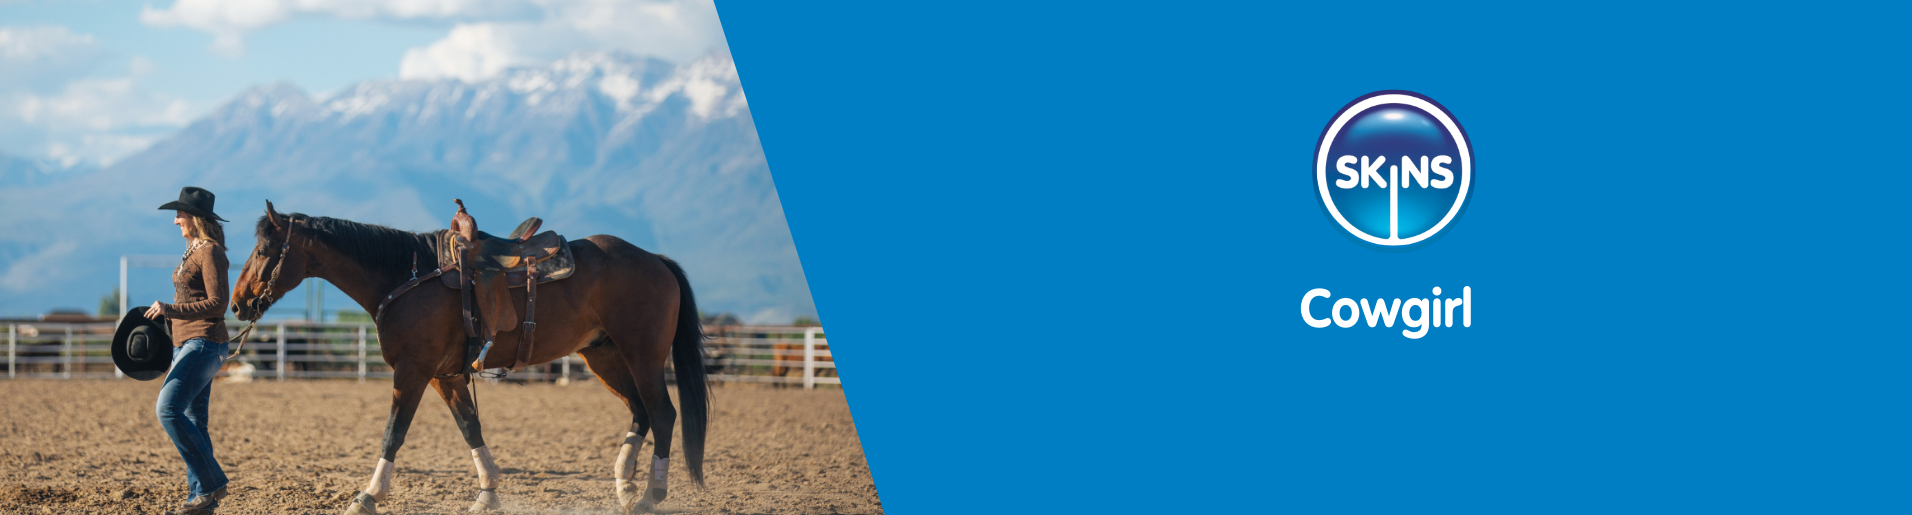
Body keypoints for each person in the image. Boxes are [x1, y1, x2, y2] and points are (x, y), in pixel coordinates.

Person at [148, 186, 234, 515]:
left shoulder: (209, 252)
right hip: (189, 342)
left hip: (204, 341)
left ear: (195, 218)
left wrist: (169, 310)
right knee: (195, 421)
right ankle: (200, 503)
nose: (175, 221)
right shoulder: (193, 248)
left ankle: (211, 483)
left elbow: (218, 303)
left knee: (168, 410)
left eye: (179, 214)